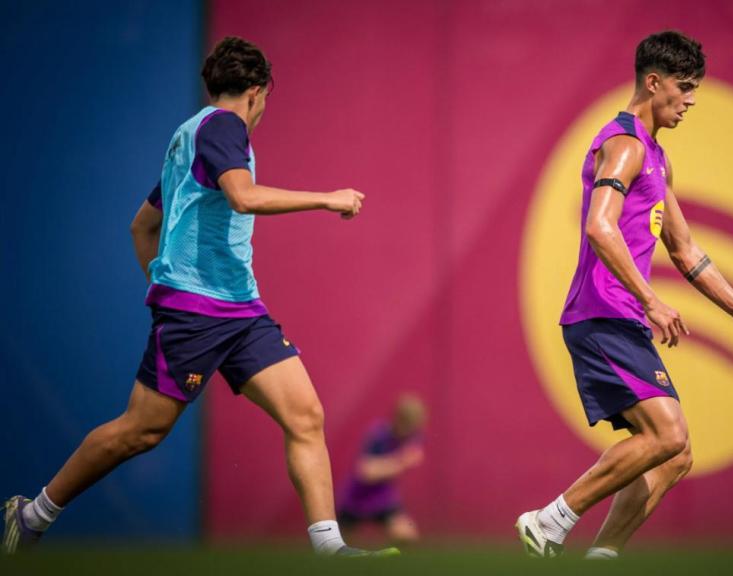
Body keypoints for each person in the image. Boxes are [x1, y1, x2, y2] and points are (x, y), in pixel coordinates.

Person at [3, 36, 396, 557]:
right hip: (199, 312)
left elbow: (142, 228)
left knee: (305, 416)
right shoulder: (224, 128)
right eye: (264, 102)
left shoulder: (189, 137)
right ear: (256, 93)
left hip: (240, 310)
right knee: (141, 431)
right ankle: (29, 517)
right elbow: (243, 196)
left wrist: (163, 283)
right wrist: (328, 198)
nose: (260, 113)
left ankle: (331, 551)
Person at [515, 31, 733, 559]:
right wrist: (650, 299)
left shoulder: (658, 159)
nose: (690, 100)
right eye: (684, 87)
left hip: (622, 317)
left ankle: (601, 558)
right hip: (602, 314)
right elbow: (601, 228)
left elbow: (686, 251)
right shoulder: (622, 146)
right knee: (667, 436)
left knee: (674, 456)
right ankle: (548, 521)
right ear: (654, 81)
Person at [337, 394, 427, 546]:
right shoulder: (380, 435)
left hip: (383, 500)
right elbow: (366, 471)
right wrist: (400, 462)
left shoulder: (414, 436)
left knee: (407, 537)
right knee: (340, 547)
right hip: (355, 499)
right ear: (399, 419)